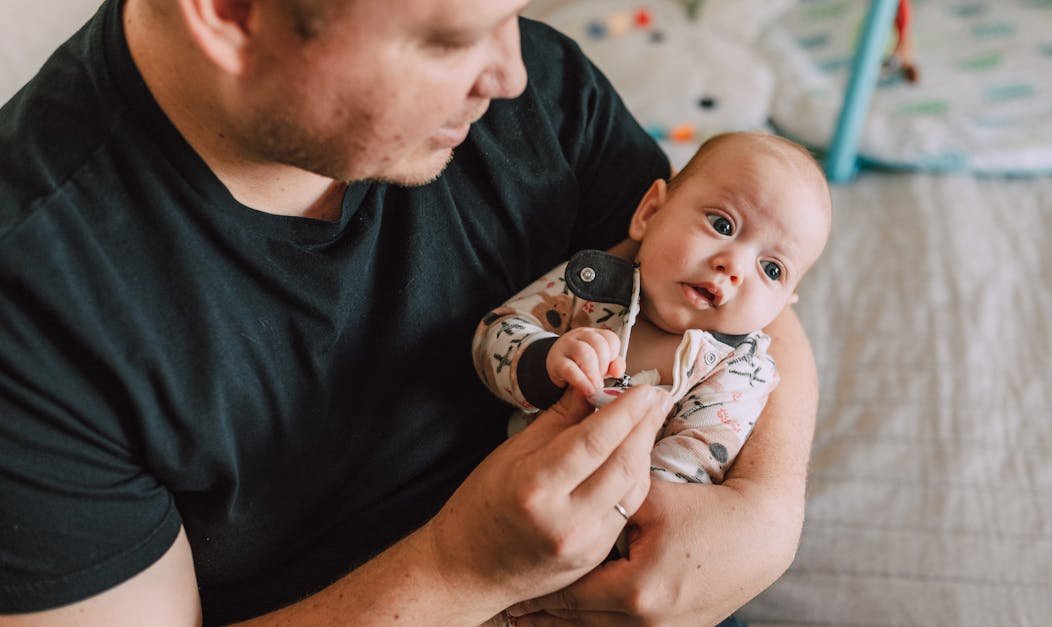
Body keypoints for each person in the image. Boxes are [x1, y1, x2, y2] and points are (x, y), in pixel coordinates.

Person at [0, 0, 820, 625]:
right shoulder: (34, 311)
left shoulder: (539, 94)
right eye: (452, 38)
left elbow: (729, 285)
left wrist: (767, 515)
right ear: (229, 13)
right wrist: (465, 567)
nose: (512, 72)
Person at [474, 132, 830, 487]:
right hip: (501, 482)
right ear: (650, 212)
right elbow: (494, 333)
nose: (734, 266)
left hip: (609, 527)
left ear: (784, 304)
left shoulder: (736, 373)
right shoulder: (591, 285)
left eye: (772, 269)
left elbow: (690, 467)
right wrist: (545, 360)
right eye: (722, 225)